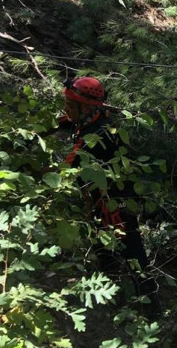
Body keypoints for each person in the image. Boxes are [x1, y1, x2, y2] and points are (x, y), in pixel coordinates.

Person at [61, 76, 152, 295]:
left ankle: (145, 298)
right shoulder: (97, 117)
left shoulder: (95, 136)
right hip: (109, 198)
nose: (67, 110)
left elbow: (64, 170)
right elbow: (64, 121)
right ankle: (119, 293)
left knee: (127, 250)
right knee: (114, 247)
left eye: (71, 106)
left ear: (85, 108)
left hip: (113, 203)